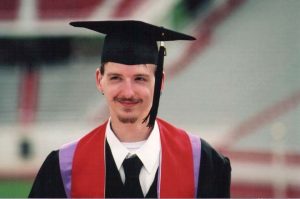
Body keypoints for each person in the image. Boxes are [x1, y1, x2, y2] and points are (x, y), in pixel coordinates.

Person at [29, 20, 231, 198]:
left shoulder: (204, 164)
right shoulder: (63, 169)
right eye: (116, 78)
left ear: (160, 82)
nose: (128, 92)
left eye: (140, 79)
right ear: (100, 80)